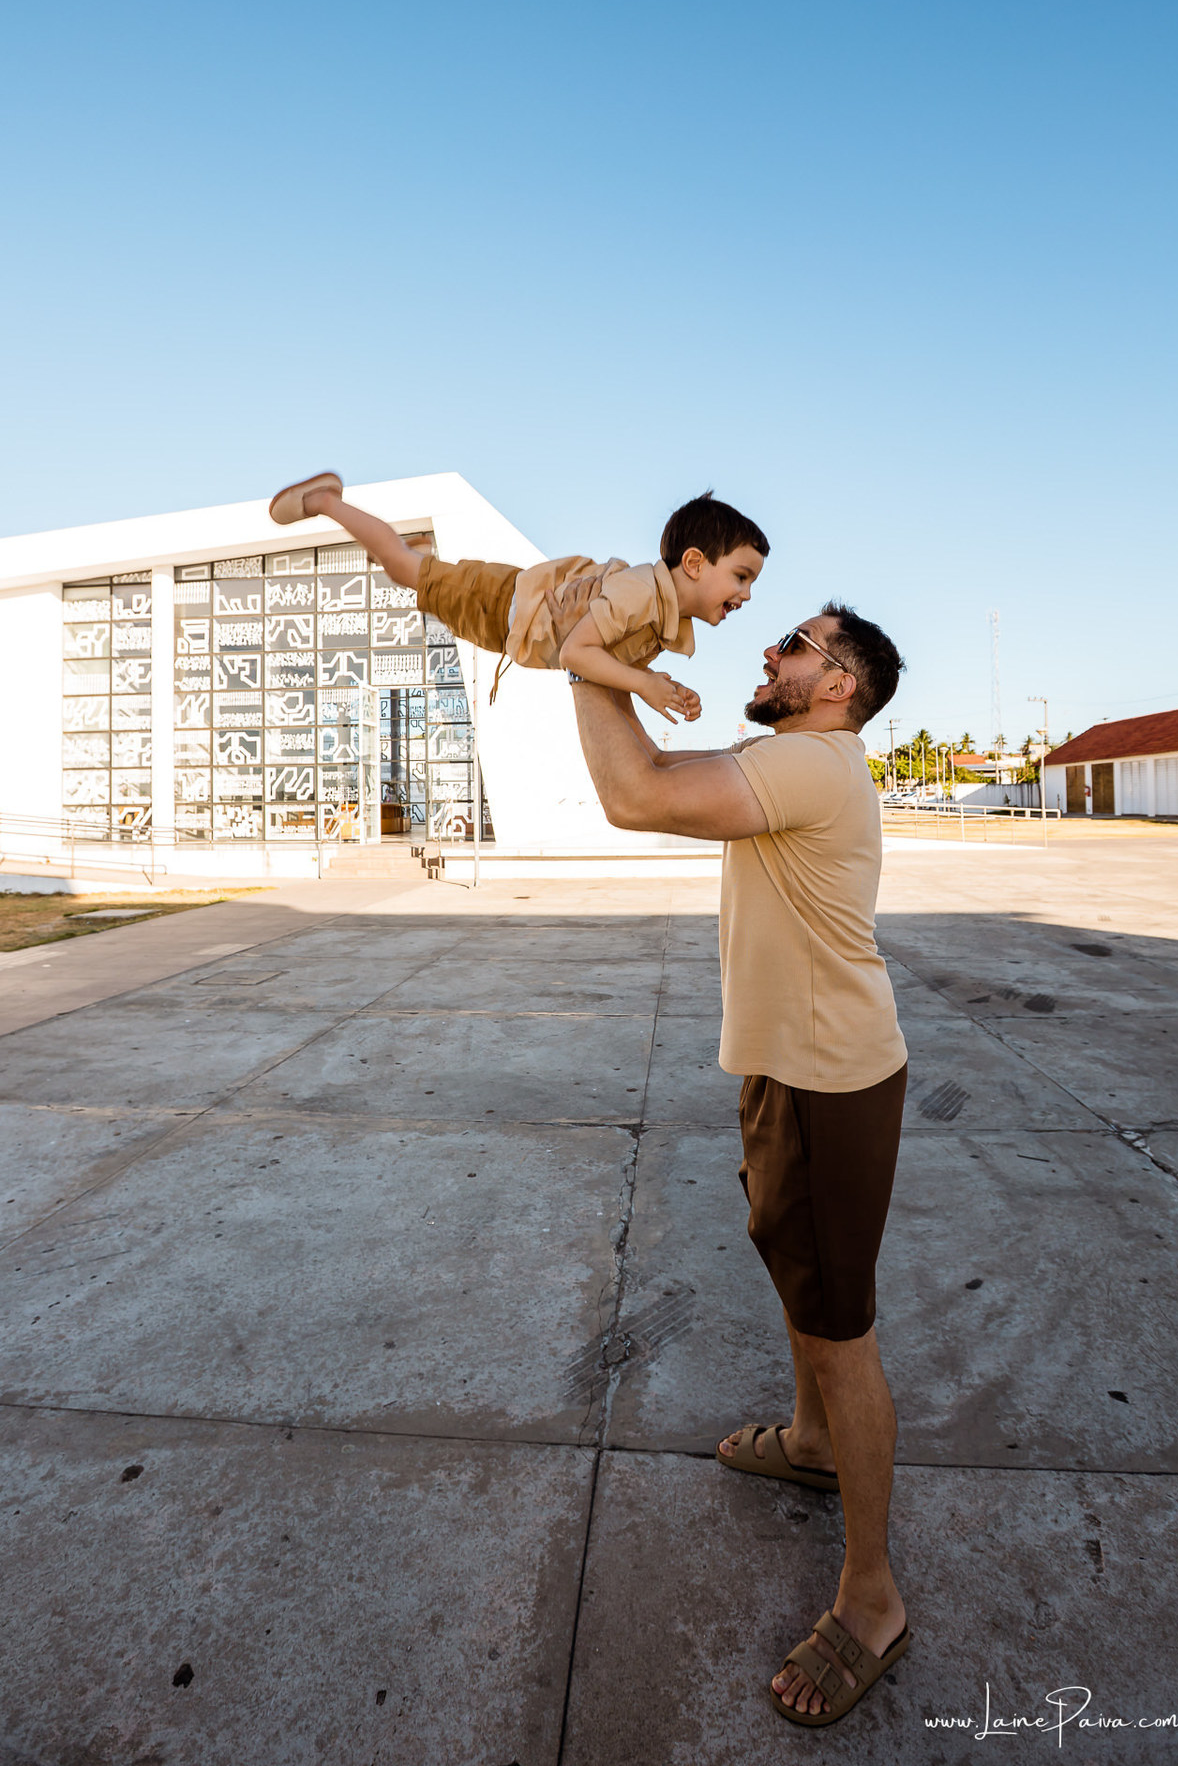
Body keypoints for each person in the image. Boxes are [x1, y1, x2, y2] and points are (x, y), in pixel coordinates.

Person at [553, 588, 909, 1729]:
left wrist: (579, 656)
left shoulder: (815, 765)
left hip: (826, 1083)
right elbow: (652, 763)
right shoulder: (795, 760)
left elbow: (635, 794)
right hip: (794, 1070)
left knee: (841, 1328)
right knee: (797, 1272)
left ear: (839, 683)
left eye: (794, 643)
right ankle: (810, 1442)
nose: (768, 646)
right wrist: (605, 666)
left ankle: (872, 1597)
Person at [268, 473, 767, 723]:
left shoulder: (660, 619)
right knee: (403, 569)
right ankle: (326, 500)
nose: (745, 594)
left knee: (410, 570)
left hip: (506, 622)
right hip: (499, 602)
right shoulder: (640, 590)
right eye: (741, 576)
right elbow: (577, 653)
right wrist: (642, 684)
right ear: (696, 563)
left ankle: (412, 552)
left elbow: (603, 655)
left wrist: (660, 685)